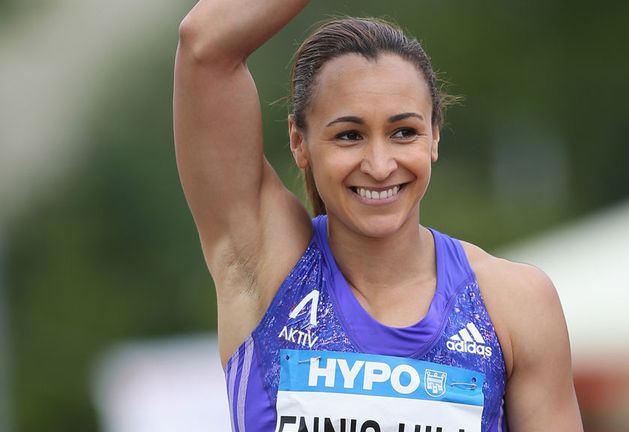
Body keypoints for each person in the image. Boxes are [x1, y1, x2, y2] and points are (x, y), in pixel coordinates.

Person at [173, 0, 583, 430]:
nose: (380, 164)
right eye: (349, 135)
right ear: (299, 141)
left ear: (434, 136)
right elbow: (204, 44)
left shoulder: (514, 302)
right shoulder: (267, 266)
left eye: (403, 132)